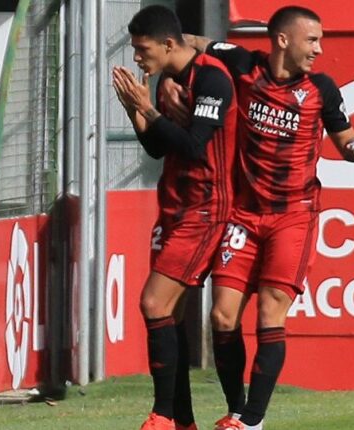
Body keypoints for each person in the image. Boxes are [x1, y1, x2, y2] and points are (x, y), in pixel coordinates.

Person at [162, 5, 354, 430]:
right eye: (313, 40)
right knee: (222, 317)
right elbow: (187, 43)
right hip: (244, 216)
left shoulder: (321, 89)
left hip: (293, 217)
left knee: (270, 309)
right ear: (283, 40)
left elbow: (348, 145)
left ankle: (252, 420)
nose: (319, 49)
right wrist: (170, 80)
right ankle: (236, 408)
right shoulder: (243, 65)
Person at [112, 5, 238, 430]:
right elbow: (158, 149)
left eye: (142, 48)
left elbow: (196, 146)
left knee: (153, 302)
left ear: (168, 43)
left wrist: (149, 111)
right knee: (170, 315)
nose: (136, 57)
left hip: (205, 209)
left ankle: (165, 416)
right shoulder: (169, 80)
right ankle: (182, 420)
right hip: (174, 206)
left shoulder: (213, 79)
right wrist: (137, 112)